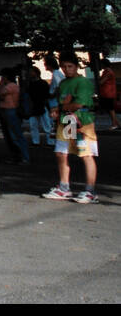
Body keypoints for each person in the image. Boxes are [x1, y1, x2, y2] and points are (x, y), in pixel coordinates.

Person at [43, 52, 99, 203]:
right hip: (67, 120)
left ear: (76, 66)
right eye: (64, 67)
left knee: (86, 154)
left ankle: (90, 191)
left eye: (70, 66)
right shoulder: (63, 83)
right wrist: (59, 108)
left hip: (82, 121)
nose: (67, 69)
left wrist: (62, 107)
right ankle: (64, 187)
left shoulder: (83, 82)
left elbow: (78, 104)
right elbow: (64, 103)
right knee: (62, 153)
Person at [0, 68, 30, 165]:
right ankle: (18, 156)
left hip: (10, 111)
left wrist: (1, 83)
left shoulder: (10, 86)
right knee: (12, 135)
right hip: (8, 111)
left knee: (14, 135)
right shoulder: (14, 86)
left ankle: (22, 156)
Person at [96, 56, 117, 131]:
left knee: (110, 109)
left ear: (104, 64)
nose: (100, 65)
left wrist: (99, 80)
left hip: (108, 93)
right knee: (109, 109)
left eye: (101, 64)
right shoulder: (107, 71)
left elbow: (101, 82)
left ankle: (114, 124)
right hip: (107, 93)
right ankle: (116, 123)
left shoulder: (108, 72)